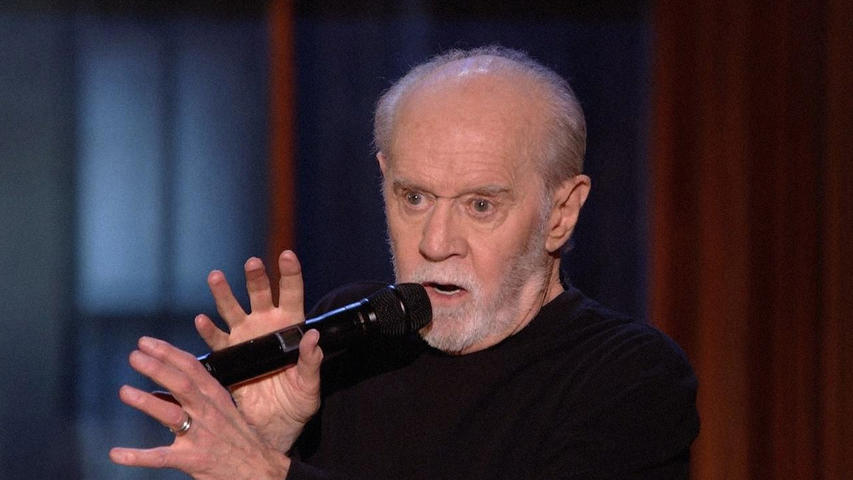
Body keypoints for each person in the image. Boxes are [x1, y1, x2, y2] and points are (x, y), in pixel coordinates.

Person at [110, 46, 699, 479]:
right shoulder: (348, 337)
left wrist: (268, 472)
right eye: (414, 198)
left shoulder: (629, 376)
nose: (436, 242)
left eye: (480, 205)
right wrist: (273, 440)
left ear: (562, 213)